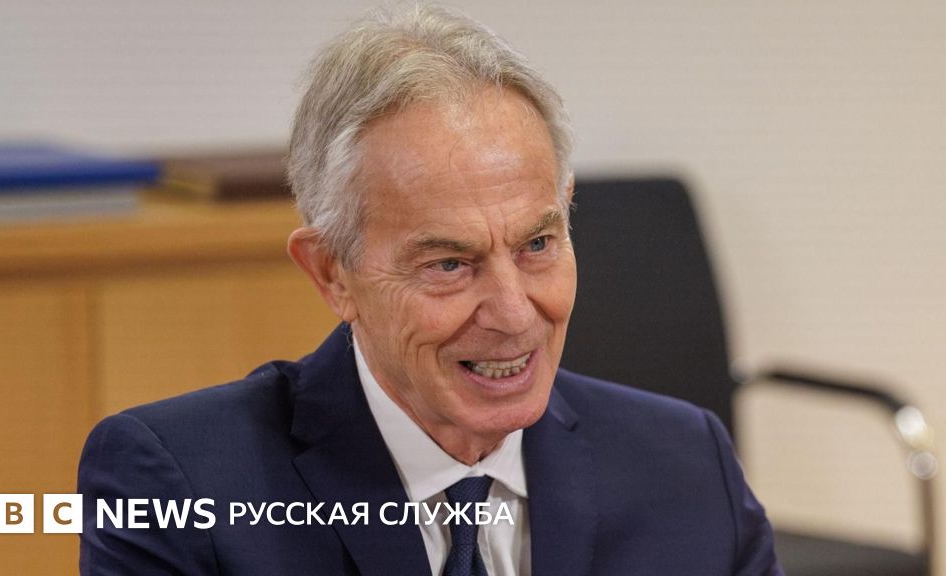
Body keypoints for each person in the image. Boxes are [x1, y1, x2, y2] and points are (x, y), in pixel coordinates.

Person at [79, 5, 783, 575]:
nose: (513, 313)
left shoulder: (686, 464)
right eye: (449, 264)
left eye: (537, 245)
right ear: (332, 272)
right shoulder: (178, 485)